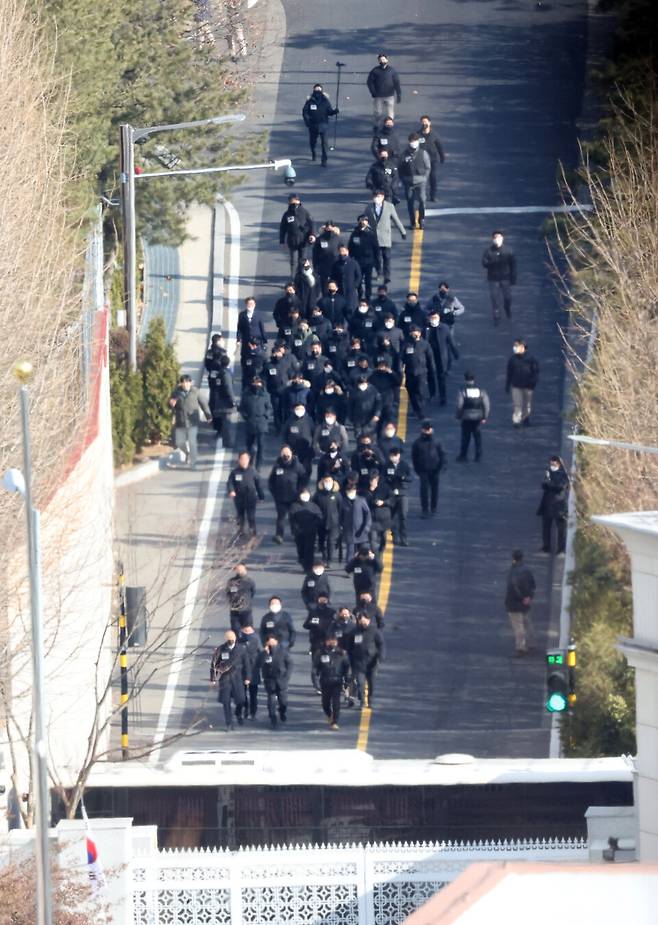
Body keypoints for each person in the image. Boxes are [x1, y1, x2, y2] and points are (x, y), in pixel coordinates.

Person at [167, 374, 212, 467]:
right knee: (179, 442)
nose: (184, 384)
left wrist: (208, 416)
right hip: (181, 420)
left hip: (193, 421)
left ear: (190, 383)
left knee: (192, 442)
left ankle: (193, 461)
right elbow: (170, 404)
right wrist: (171, 404)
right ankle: (187, 453)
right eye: (182, 382)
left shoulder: (195, 391)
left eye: (187, 382)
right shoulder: (176, 392)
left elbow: (203, 404)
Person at [365, 190, 406, 285]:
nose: (377, 198)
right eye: (375, 196)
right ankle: (379, 272)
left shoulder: (389, 207)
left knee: (387, 257)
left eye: (379, 196)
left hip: (385, 236)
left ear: (383, 197)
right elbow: (364, 220)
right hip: (374, 237)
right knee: (377, 257)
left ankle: (387, 276)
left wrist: (402, 232)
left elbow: (396, 219)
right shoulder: (369, 208)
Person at [210, 630, 249, 731]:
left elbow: (247, 664)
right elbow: (214, 664)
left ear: (235, 639)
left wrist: (248, 677)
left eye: (232, 639)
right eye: (229, 639)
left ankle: (238, 713)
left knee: (240, 700)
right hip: (225, 679)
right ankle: (229, 723)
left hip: (237, 678)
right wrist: (213, 678)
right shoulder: (221, 649)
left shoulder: (241, 649)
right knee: (226, 701)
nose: (230, 641)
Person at [268, 445, 306, 544]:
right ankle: (279, 535)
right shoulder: (277, 466)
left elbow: (303, 479)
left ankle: (295, 534)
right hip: (280, 498)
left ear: (291, 454)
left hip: (294, 497)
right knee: (281, 517)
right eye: (283, 454)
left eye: (287, 454)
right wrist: (274, 493)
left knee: (294, 516)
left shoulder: (297, 466)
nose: (285, 456)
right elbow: (271, 481)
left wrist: (301, 491)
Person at [313, 635, 351, 730]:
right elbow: (315, 668)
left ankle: (335, 721)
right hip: (325, 682)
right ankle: (329, 715)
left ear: (337, 642)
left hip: (337, 682)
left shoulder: (342, 654)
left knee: (336, 703)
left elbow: (347, 668)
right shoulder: (320, 653)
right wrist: (316, 681)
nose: (332, 643)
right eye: (330, 641)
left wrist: (347, 681)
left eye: (334, 641)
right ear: (326, 642)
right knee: (325, 703)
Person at [505, 549, 537, 657]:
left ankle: (521, 647)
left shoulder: (512, 571)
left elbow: (511, 588)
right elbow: (533, 585)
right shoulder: (527, 570)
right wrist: (528, 597)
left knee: (518, 625)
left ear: (513, 558)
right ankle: (532, 643)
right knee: (527, 622)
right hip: (525, 601)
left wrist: (520, 598)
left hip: (514, 602)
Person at [349, 613, 384, 709]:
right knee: (360, 683)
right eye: (361, 620)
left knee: (371, 683)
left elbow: (380, 644)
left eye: (365, 620)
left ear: (369, 620)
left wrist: (380, 656)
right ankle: (362, 702)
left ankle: (370, 700)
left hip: (371, 663)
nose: (363, 622)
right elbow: (349, 646)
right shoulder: (355, 632)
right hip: (359, 663)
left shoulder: (375, 631)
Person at [411, 420, 446, 518]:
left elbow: (442, 455)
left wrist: (441, 467)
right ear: (422, 430)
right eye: (425, 429)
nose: (427, 431)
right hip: (423, 470)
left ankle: (433, 507)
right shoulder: (417, 443)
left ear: (432, 430)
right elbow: (414, 457)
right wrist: (417, 469)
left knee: (435, 489)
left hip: (435, 469)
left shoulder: (437, 442)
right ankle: (425, 509)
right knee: (424, 490)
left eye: (428, 429)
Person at [482, 230, 517, 324]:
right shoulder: (489, 251)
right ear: (492, 239)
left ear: (502, 238)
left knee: (507, 297)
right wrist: (492, 262)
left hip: (505, 278)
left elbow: (513, 265)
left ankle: (507, 308)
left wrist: (513, 278)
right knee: (494, 298)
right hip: (493, 279)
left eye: (498, 237)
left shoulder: (508, 250)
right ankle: (496, 315)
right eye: (495, 237)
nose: (496, 239)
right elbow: (484, 263)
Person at [256, 636, 292, 728]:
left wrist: (286, 677)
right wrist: (265, 653)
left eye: (272, 641)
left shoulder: (282, 652)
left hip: (281, 679)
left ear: (276, 641)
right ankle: (272, 717)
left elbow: (290, 664)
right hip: (269, 680)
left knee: (282, 700)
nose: (271, 643)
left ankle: (282, 711)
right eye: (269, 641)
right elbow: (258, 664)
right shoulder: (264, 653)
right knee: (271, 700)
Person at [537, 456, 569, 554]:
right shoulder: (548, 472)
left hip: (559, 505)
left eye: (554, 464)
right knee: (546, 527)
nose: (552, 466)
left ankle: (561, 548)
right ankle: (546, 546)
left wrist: (549, 483)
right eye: (551, 464)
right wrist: (548, 482)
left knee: (561, 529)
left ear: (559, 464)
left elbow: (560, 486)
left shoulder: (563, 474)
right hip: (547, 504)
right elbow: (543, 484)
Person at [227, 451, 265, 535]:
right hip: (239, 498)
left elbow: (258, 484)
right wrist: (231, 491)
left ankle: (253, 532)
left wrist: (261, 496)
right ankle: (240, 532)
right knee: (240, 516)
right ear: (239, 460)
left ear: (248, 460)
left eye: (245, 459)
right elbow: (230, 483)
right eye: (242, 459)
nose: (244, 461)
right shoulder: (234, 472)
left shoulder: (253, 471)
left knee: (251, 516)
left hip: (251, 497)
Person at [455, 371, 490, 462]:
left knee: (465, 437)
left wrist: (458, 416)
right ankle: (478, 456)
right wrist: (485, 417)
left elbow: (459, 405)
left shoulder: (462, 390)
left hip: (466, 417)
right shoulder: (480, 390)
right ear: (474, 379)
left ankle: (463, 456)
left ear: (465, 379)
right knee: (477, 437)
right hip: (478, 417)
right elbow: (486, 404)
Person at [398, 133, 431, 230]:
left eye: (415, 141)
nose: (414, 143)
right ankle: (413, 222)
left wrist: (425, 178)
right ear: (409, 142)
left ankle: (422, 220)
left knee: (422, 200)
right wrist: (403, 179)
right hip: (408, 182)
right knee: (410, 202)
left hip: (421, 181)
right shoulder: (404, 154)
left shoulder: (423, 153)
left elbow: (428, 167)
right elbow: (400, 168)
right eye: (412, 141)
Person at [403, 325, 436, 420]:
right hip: (409, 372)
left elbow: (430, 359)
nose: (413, 333)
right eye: (412, 332)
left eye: (415, 332)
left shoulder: (425, 344)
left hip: (421, 373)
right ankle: (415, 410)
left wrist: (432, 370)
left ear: (419, 333)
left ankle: (421, 412)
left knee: (420, 392)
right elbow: (401, 356)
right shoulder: (407, 344)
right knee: (411, 392)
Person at [239, 377, 272, 468]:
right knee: (249, 444)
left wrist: (266, 415)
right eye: (254, 383)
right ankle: (250, 462)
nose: (256, 385)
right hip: (250, 423)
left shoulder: (265, 395)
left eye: (258, 383)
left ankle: (259, 464)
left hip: (262, 423)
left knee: (261, 445)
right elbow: (242, 408)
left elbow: (269, 407)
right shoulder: (246, 395)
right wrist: (246, 416)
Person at [506, 339, 540, 427]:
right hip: (516, 386)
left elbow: (535, 372)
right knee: (518, 405)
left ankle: (525, 418)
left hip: (528, 386)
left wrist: (533, 383)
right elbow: (509, 372)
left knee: (526, 405)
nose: (515, 348)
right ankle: (516, 421)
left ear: (522, 347)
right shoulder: (512, 359)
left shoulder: (531, 359)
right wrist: (508, 384)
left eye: (516, 346)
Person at [302, 83, 338, 165]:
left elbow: (329, 112)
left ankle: (324, 160)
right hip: (313, 125)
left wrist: (335, 111)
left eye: (319, 89)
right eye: (316, 89)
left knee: (324, 144)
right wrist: (307, 122)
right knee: (312, 142)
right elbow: (305, 112)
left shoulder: (325, 101)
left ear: (322, 91)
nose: (318, 91)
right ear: (313, 90)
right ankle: (313, 153)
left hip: (323, 125)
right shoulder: (310, 101)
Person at [289, 488, 323, 571]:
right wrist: (296, 528)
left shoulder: (313, 506)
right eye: (303, 494)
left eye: (306, 494)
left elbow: (319, 516)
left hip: (311, 532)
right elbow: (292, 519)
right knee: (301, 548)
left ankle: (308, 567)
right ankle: (302, 559)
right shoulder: (294, 506)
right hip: (299, 532)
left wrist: (314, 525)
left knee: (309, 549)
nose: (305, 496)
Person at [280, 193, 314, 275]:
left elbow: (311, 224)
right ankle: (293, 280)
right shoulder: (286, 214)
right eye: (291, 202)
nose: (293, 203)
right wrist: (282, 242)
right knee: (293, 262)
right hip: (292, 242)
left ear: (299, 201)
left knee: (302, 260)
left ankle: (302, 278)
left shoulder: (305, 212)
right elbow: (283, 228)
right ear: (289, 202)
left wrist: (312, 235)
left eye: (295, 201)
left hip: (303, 241)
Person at [313, 474, 342, 565]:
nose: (327, 483)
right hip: (321, 522)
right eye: (325, 481)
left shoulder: (337, 495)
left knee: (330, 541)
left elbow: (341, 508)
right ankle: (324, 556)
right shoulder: (318, 495)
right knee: (321, 541)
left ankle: (329, 559)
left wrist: (341, 522)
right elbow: (313, 507)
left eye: (329, 481)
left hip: (334, 522)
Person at [340, 479, 372, 561]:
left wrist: (366, 528)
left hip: (361, 530)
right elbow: (340, 515)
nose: (350, 493)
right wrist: (341, 526)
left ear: (355, 491)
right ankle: (350, 568)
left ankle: (363, 567)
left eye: (352, 491)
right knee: (350, 552)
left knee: (363, 551)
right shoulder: (343, 501)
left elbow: (367, 514)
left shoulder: (361, 500)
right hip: (349, 531)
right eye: (349, 491)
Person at [207, 353, 236, 443]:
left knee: (220, 418)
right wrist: (233, 401)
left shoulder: (219, 372)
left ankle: (219, 432)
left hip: (217, 397)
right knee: (226, 422)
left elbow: (211, 381)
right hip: (225, 401)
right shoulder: (226, 374)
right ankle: (227, 441)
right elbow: (228, 388)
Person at [366, 53, 402, 124]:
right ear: (379, 62)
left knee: (390, 112)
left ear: (387, 60)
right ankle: (376, 126)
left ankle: (389, 126)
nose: (382, 61)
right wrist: (373, 92)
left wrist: (399, 94)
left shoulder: (392, 71)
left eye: (383, 59)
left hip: (390, 96)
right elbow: (369, 82)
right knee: (378, 113)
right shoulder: (375, 71)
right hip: (378, 96)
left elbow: (396, 83)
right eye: (380, 60)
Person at [283, 401, 315, 478]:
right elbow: (284, 434)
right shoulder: (289, 421)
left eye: (301, 409)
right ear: (294, 410)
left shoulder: (309, 420)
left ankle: (305, 482)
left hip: (307, 449)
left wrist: (313, 446)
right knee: (294, 468)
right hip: (294, 449)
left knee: (307, 468)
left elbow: (314, 433)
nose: (300, 411)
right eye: (298, 409)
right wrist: (285, 446)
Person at [417, 115, 445, 201]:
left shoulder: (434, 135)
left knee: (432, 177)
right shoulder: (418, 134)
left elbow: (439, 146)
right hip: (421, 160)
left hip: (432, 160)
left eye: (426, 121)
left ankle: (433, 195)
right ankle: (421, 195)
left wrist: (442, 157)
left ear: (429, 123)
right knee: (421, 178)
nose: (424, 123)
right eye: (423, 122)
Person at [331, 244, 362, 318]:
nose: (342, 253)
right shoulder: (336, 264)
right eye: (340, 251)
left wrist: (355, 285)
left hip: (350, 291)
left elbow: (359, 276)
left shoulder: (353, 263)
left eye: (343, 251)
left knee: (351, 309)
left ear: (347, 252)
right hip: (340, 291)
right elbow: (333, 276)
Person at [364, 470, 392, 552]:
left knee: (383, 536)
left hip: (383, 516)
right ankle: (375, 553)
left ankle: (382, 548)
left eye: (374, 480)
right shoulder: (366, 489)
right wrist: (371, 491)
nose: (372, 482)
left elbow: (392, 499)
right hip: (372, 518)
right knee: (372, 539)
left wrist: (384, 502)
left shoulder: (385, 487)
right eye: (371, 480)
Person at [425, 309, 449, 406]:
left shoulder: (444, 328)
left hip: (441, 357)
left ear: (439, 318)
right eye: (432, 318)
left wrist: (454, 353)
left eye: (435, 317)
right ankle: (432, 393)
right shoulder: (426, 329)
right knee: (430, 375)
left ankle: (443, 397)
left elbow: (450, 341)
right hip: (430, 356)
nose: (433, 319)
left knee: (441, 377)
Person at [225, 562, 256, 635]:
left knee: (247, 631)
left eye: (241, 569)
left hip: (246, 610)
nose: (240, 571)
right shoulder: (231, 581)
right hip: (234, 610)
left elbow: (253, 593)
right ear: (235, 570)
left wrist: (246, 601)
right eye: (238, 569)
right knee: (235, 630)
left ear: (245, 570)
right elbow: (228, 593)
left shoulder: (249, 581)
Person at [238, 624, 261, 720]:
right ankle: (247, 710)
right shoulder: (240, 640)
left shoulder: (254, 640)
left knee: (252, 694)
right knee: (244, 694)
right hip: (243, 671)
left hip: (252, 670)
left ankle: (252, 712)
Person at [312, 222, 342, 290]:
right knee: (324, 284)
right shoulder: (320, 239)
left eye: (331, 227)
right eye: (328, 227)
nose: (329, 228)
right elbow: (315, 254)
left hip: (335, 265)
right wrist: (315, 267)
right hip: (323, 266)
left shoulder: (337, 238)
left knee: (336, 283)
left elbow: (342, 250)